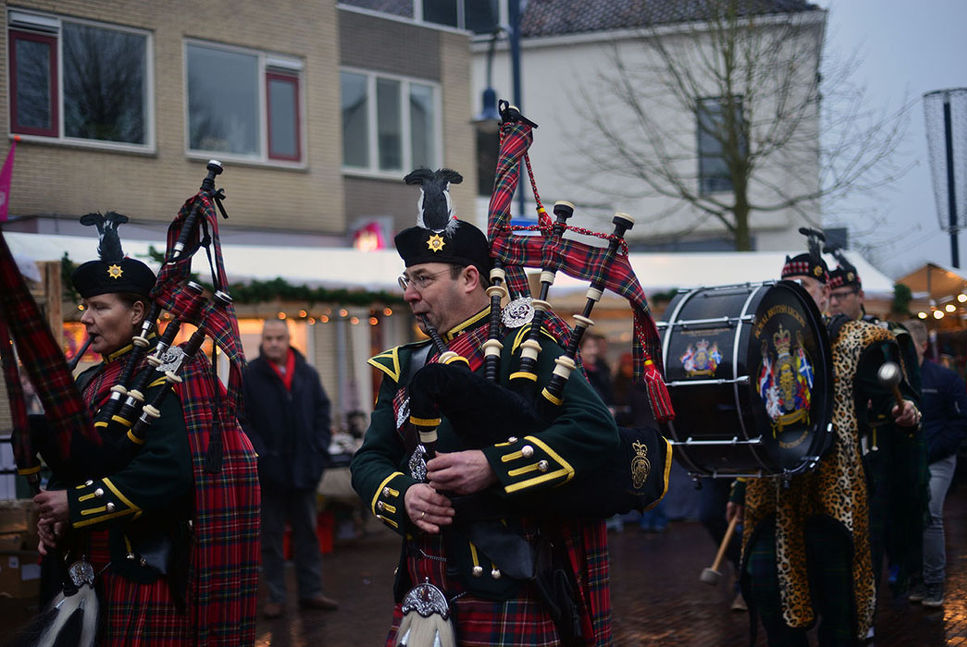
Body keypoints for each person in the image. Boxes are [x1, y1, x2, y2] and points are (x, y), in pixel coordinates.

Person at [351, 170, 619, 647]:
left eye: (423, 279)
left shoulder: (526, 348)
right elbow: (370, 459)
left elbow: (596, 429)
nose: (409, 292)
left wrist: (492, 465)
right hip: (423, 586)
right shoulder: (407, 365)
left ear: (470, 278)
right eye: (407, 279)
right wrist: (402, 496)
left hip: (506, 584)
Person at [31, 213, 261, 644]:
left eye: (100, 307)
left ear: (138, 312)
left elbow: (170, 471)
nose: (87, 320)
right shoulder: (87, 380)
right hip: (83, 566)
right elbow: (78, 464)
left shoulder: (169, 376)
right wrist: (57, 516)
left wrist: (76, 505)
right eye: (86, 307)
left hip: (137, 566)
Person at [728, 251, 920, 646]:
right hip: (772, 490)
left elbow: (890, 400)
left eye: (804, 289)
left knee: (839, 599)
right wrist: (738, 487)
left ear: (826, 294)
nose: (794, 296)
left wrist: (907, 411)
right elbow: (748, 419)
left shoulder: (858, 340)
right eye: (788, 289)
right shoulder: (760, 339)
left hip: (834, 488)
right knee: (768, 590)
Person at [828, 263, 927, 601]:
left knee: (886, 516)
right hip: (839, 448)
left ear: (860, 295)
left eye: (843, 295)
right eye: (832, 296)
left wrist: (908, 410)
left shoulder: (887, 335)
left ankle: (897, 575)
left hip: (884, 445)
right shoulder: (824, 337)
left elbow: (909, 388)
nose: (836, 302)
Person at [243, 319, 338, 618]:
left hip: (303, 470)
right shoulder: (250, 376)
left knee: (307, 534)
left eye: (279, 338)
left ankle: (311, 592)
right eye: (268, 338)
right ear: (262, 340)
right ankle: (276, 595)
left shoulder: (307, 374)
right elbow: (242, 420)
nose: (273, 343)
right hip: (269, 474)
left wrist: (319, 450)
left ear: (288, 339)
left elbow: (323, 411)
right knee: (270, 537)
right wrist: (262, 456)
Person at [903, 318, 967, 608]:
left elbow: (961, 422)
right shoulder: (896, 381)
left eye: (905, 345)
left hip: (937, 459)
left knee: (930, 513)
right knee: (906, 517)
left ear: (921, 346)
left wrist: (934, 450)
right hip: (907, 460)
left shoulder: (944, 379)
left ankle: (934, 582)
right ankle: (917, 578)